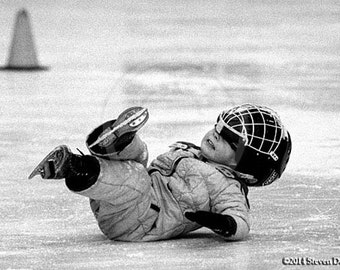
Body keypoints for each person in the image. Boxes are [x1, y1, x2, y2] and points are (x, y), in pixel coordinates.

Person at [29, 104, 292, 242]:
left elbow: (241, 220)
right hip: (129, 196)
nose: (214, 135)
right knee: (139, 157)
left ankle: (77, 167)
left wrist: (224, 224)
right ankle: (117, 144)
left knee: (136, 178)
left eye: (229, 141)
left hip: (139, 223)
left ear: (244, 166)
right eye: (218, 127)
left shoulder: (227, 186)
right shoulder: (192, 153)